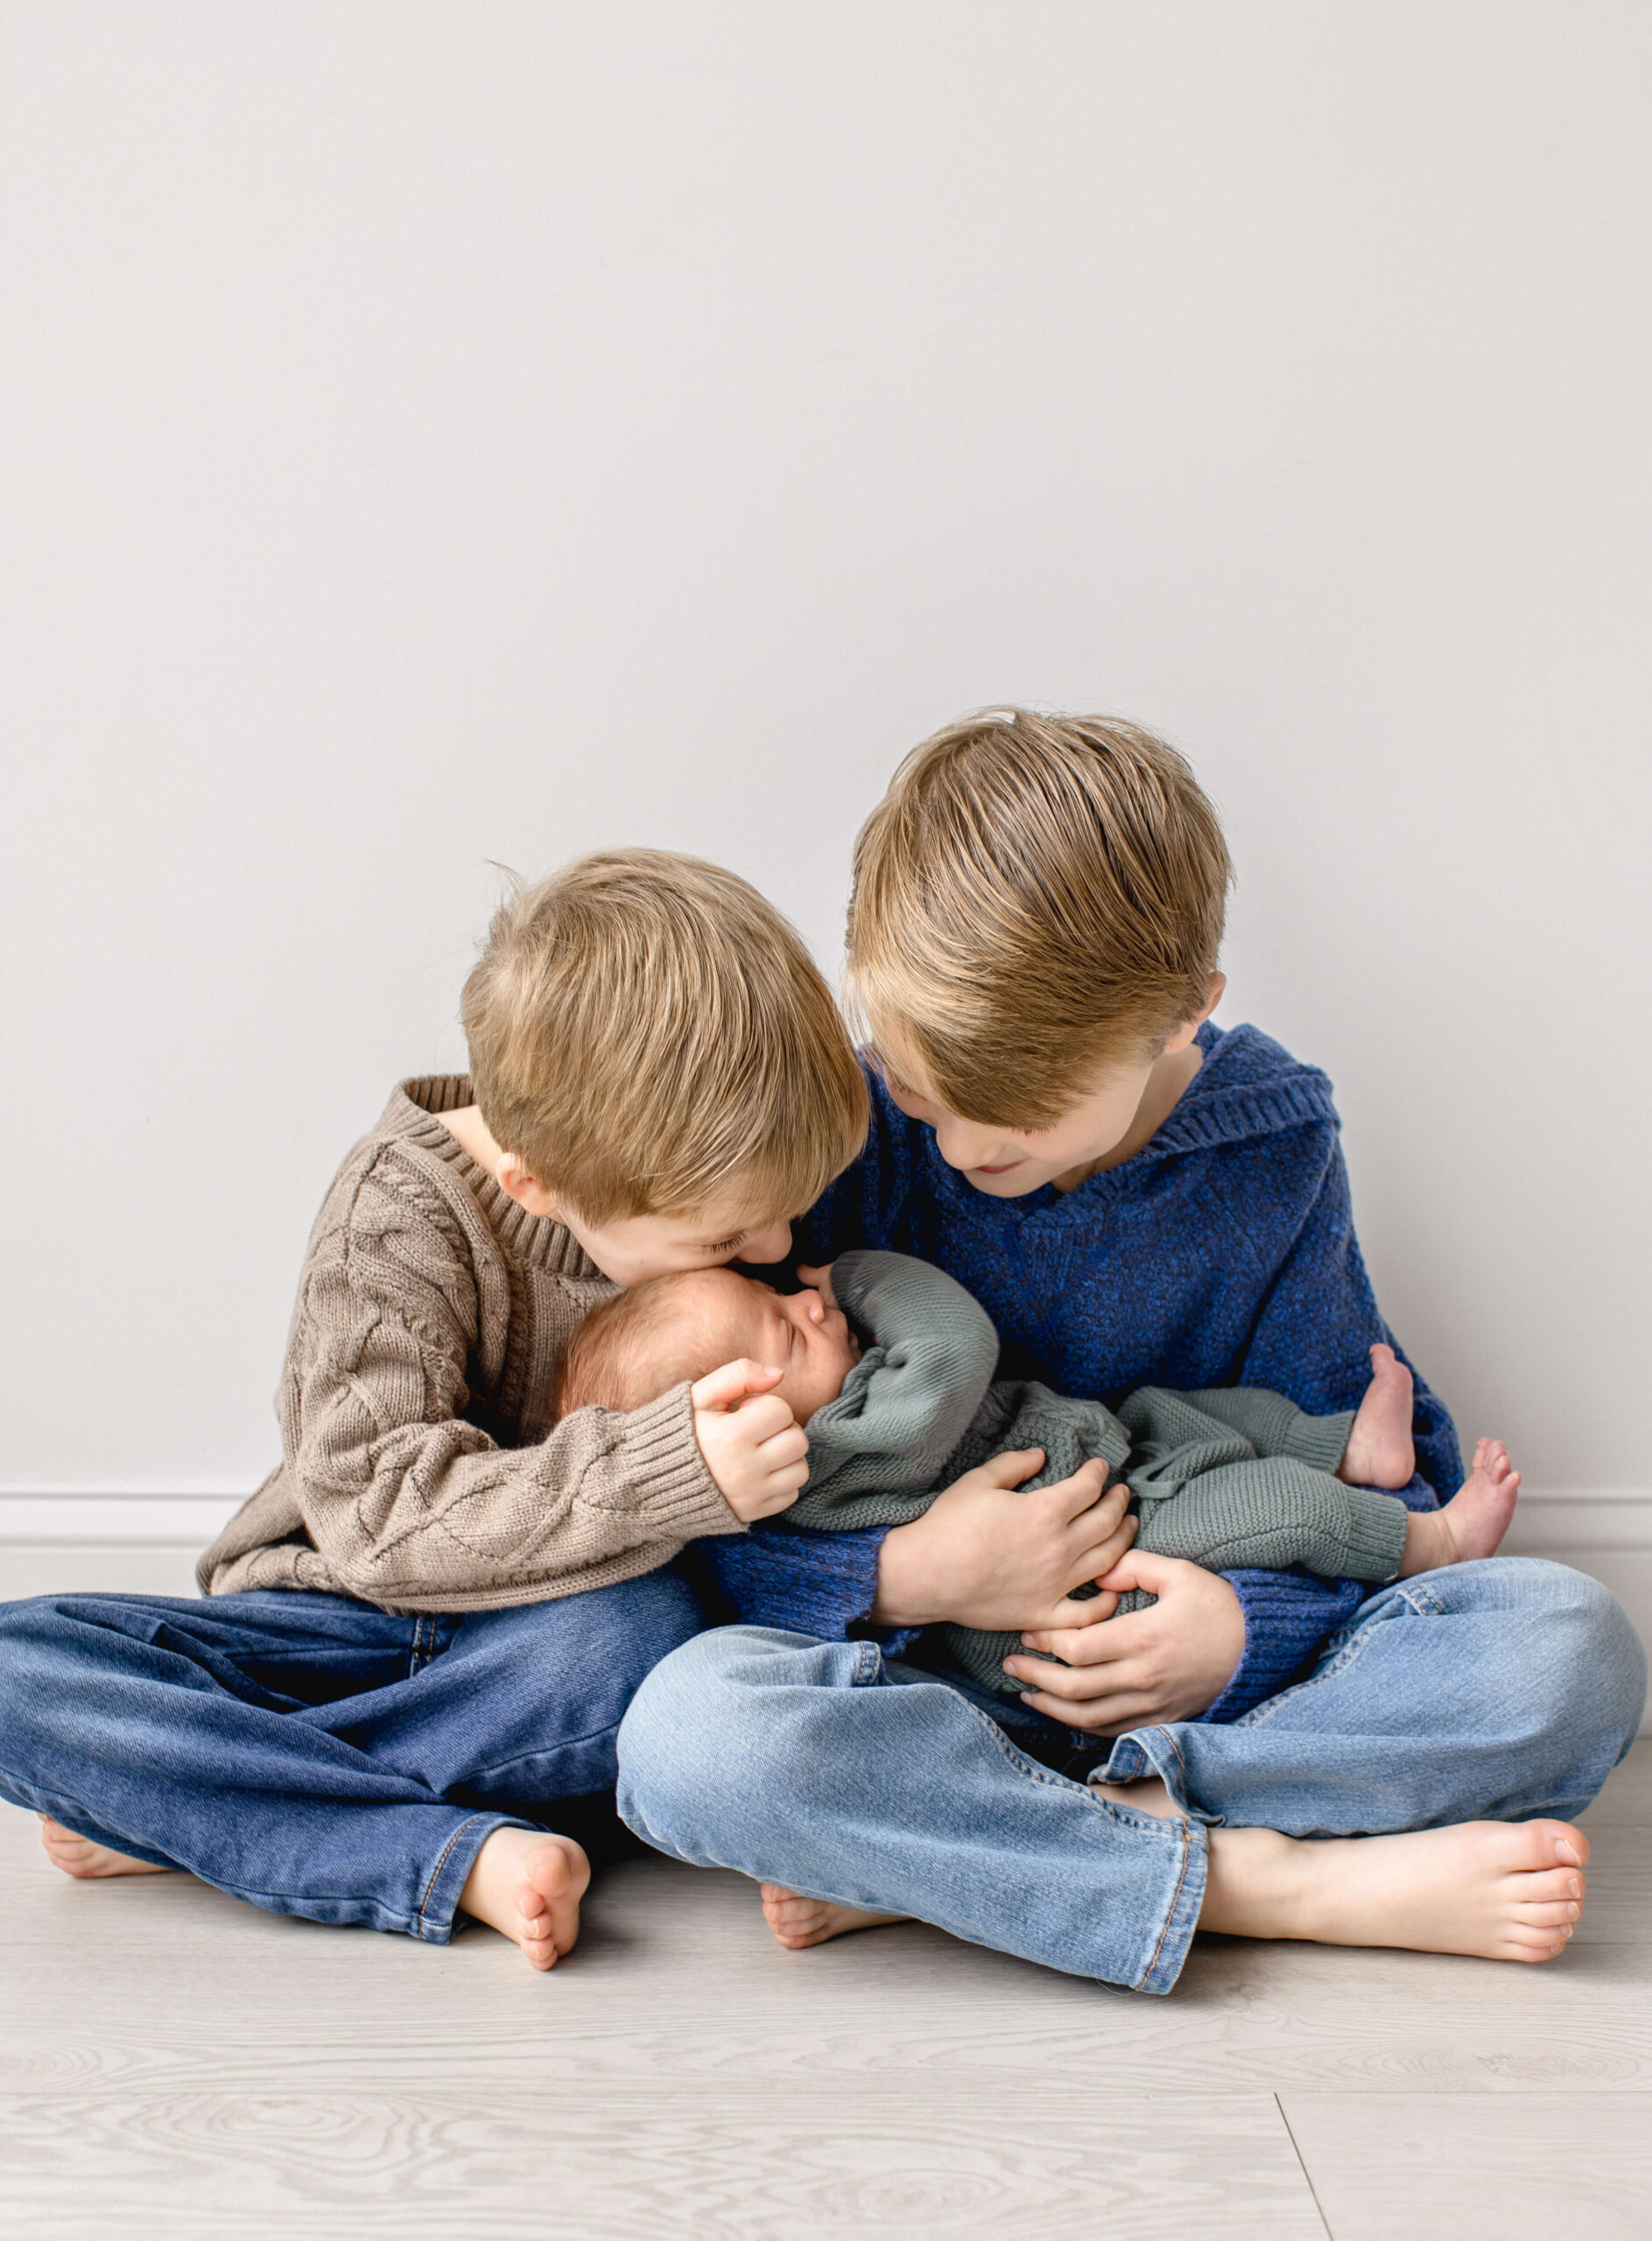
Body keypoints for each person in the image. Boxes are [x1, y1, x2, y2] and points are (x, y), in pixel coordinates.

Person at [615, 709, 1646, 1988]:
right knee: (687, 1736)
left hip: (1200, 1690)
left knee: (1569, 1648)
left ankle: (976, 1860)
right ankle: (1254, 1882)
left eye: (1015, 1117)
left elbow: (1368, 1482)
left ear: (1180, 1019)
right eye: (930, 1095)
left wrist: (1233, 1631)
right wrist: (903, 1577)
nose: (954, 1152)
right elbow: (716, 1504)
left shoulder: (1266, 1150)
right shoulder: (854, 1125)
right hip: (933, 1687)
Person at [0, 850, 868, 1968]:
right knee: (19, 1663)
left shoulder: (713, 1156)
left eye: (785, 1215)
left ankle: (199, 1804)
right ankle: (429, 1852)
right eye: (726, 1241)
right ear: (536, 1189)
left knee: (640, 1641)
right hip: (347, 1620)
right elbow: (376, 1515)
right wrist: (663, 1471)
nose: (779, 1252)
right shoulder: (397, 1220)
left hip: (543, 1643)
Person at [558, 1246, 1522, 1700]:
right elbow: (952, 1338)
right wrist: (856, 1277)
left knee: (1223, 1417)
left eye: (787, 1293)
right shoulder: (844, 1439)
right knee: (1274, 1505)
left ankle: (1351, 1448)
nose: (800, 1297)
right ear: (742, 1415)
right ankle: (1423, 1542)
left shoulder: (814, 1432)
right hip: (1118, 1554)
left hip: (1115, 1451)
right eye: (779, 1324)